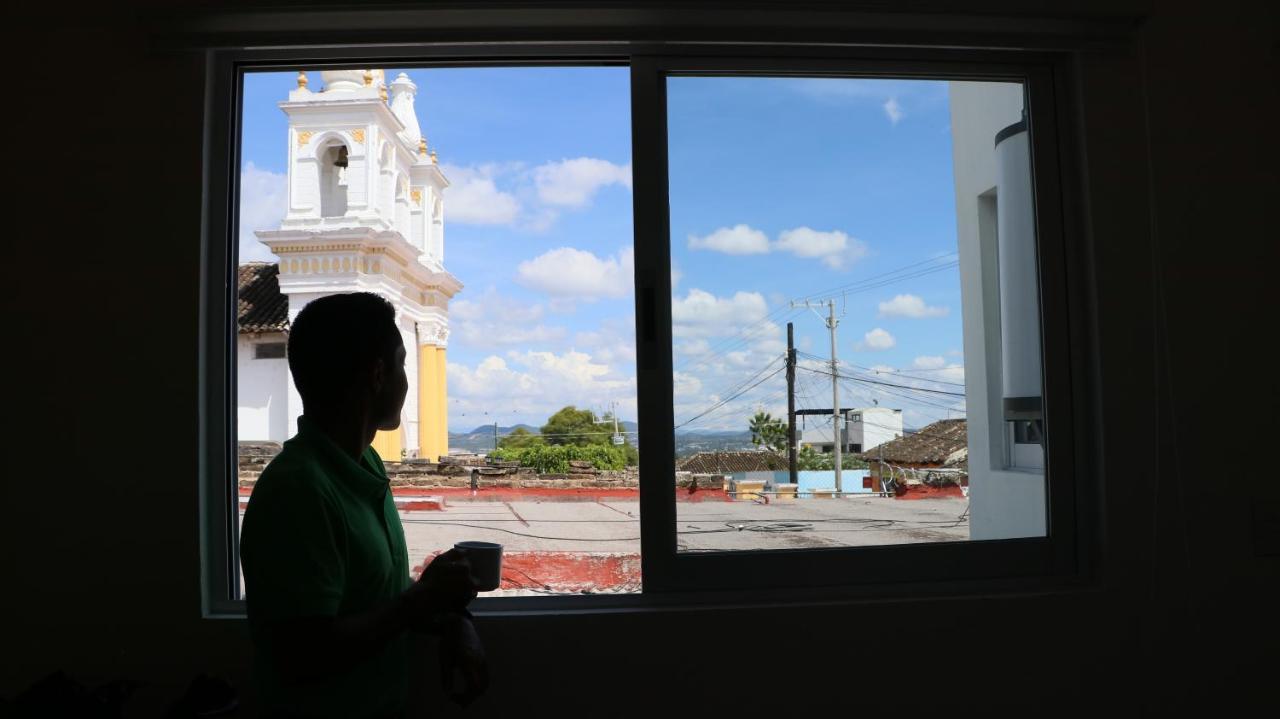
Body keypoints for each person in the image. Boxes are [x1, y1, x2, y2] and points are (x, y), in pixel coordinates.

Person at [240, 292, 487, 719]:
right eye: (401, 364)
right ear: (377, 374)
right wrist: (418, 601)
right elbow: (303, 655)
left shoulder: (366, 465)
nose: (406, 382)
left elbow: (373, 603)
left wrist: (449, 618)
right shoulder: (298, 491)